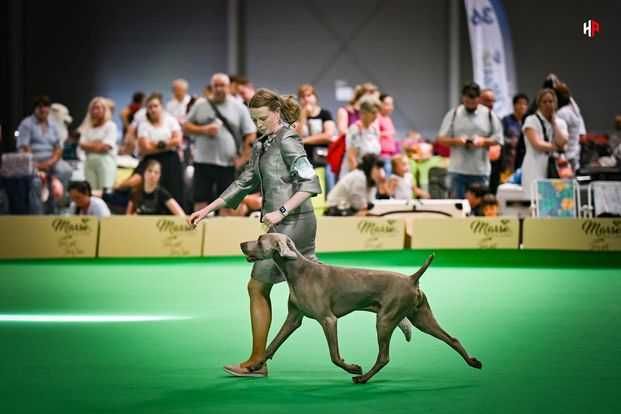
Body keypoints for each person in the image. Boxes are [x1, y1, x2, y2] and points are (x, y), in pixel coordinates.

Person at [188, 88, 323, 377]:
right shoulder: (263, 144)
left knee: (258, 286)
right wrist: (207, 209)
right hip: (281, 225)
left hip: (294, 223)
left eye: (263, 118)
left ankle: (257, 361)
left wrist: (282, 211)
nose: (258, 124)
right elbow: (243, 183)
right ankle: (380, 298)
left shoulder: (288, 140)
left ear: (276, 113)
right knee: (318, 285)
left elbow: (311, 185)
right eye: (254, 119)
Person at [183, 73, 256, 214]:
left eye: (222, 85)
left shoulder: (239, 107)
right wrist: (204, 129)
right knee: (200, 201)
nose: (218, 89)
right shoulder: (200, 104)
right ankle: (198, 232)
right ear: (212, 87)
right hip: (202, 162)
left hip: (228, 164)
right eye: (215, 85)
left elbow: (251, 134)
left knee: (227, 202)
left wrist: (244, 158)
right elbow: (186, 126)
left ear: (229, 87)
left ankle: (223, 234)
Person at [436, 82, 503, 198]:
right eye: (468, 102)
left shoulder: (489, 115)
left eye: (474, 102)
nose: (471, 105)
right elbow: (440, 139)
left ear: (479, 99)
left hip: (480, 171)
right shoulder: (454, 114)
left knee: (481, 208)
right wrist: (457, 141)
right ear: (463, 98)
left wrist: (483, 141)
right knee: (458, 207)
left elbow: (499, 139)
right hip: (457, 170)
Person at [17, 96, 73, 205]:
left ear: (49, 108)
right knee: (36, 183)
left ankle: (56, 206)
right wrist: (37, 166)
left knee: (66, 170)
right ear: (35, 109)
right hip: (32, 160)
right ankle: (37, 214)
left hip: (51, 159)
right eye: (40, 107)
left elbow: (59, 148)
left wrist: (50, 163)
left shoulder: (54, 125)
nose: (43, 109)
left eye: (46, 106)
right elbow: (24, 148)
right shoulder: (26, 124)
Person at [135, 93, 184, 205]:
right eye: (150, 107)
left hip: (171, 160)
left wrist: (155, 144)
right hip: (151, 161)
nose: (153, 109)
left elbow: (178, 140)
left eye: (155, 106)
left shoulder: (171, 120)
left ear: (161, 107)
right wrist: (167, 144)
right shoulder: (143, 125)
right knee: (152, 190)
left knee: (173, 191)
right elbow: (145, 148)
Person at [521, 89, 568, 196]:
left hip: (556, 167)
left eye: (551, 101)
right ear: (539, 104)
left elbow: (563, 141)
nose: (548, 104)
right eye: (544, 102)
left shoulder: (561, 122)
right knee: (536, 200)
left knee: (556, 200)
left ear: (555, 103)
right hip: (534, 166)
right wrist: (556, 147)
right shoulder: (531, 120)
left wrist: (554, 123)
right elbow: (537, 144)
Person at [78, 97, 118, 191]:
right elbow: (81, 145)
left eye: (99, 108)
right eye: (94, 108)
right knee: (91, 192)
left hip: (105, 162)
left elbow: (106, 147)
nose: (96, 111)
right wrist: (98, 143)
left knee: (105, 192)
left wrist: (90, 145)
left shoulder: (110, 126)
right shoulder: (87, 127)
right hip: (89, 162)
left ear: (105, 110)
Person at [340, 97, 382, 179]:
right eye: (373, 112)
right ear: (363, 113)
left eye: (377, 113)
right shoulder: (355, 130)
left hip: (370, 177)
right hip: (354, 177)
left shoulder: (374, 131)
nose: (376, 116)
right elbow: (351, 158)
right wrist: (359, 178)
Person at [501, 93, 529, 181]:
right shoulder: (506, 120)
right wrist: (510, 141)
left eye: (524, 104)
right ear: (514, 105)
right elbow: (500, 137)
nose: (522, 106)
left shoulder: (529, 121)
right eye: (519, 103)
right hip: (509, 160)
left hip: (524, 159)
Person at [378, 93, 399, 173]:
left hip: (390, 156)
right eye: (387, 104)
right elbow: (373, 134)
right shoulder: (376, 118)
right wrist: (387, 133)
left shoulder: (387, 119)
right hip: (381, 156)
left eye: (391, 104)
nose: (390, 107)